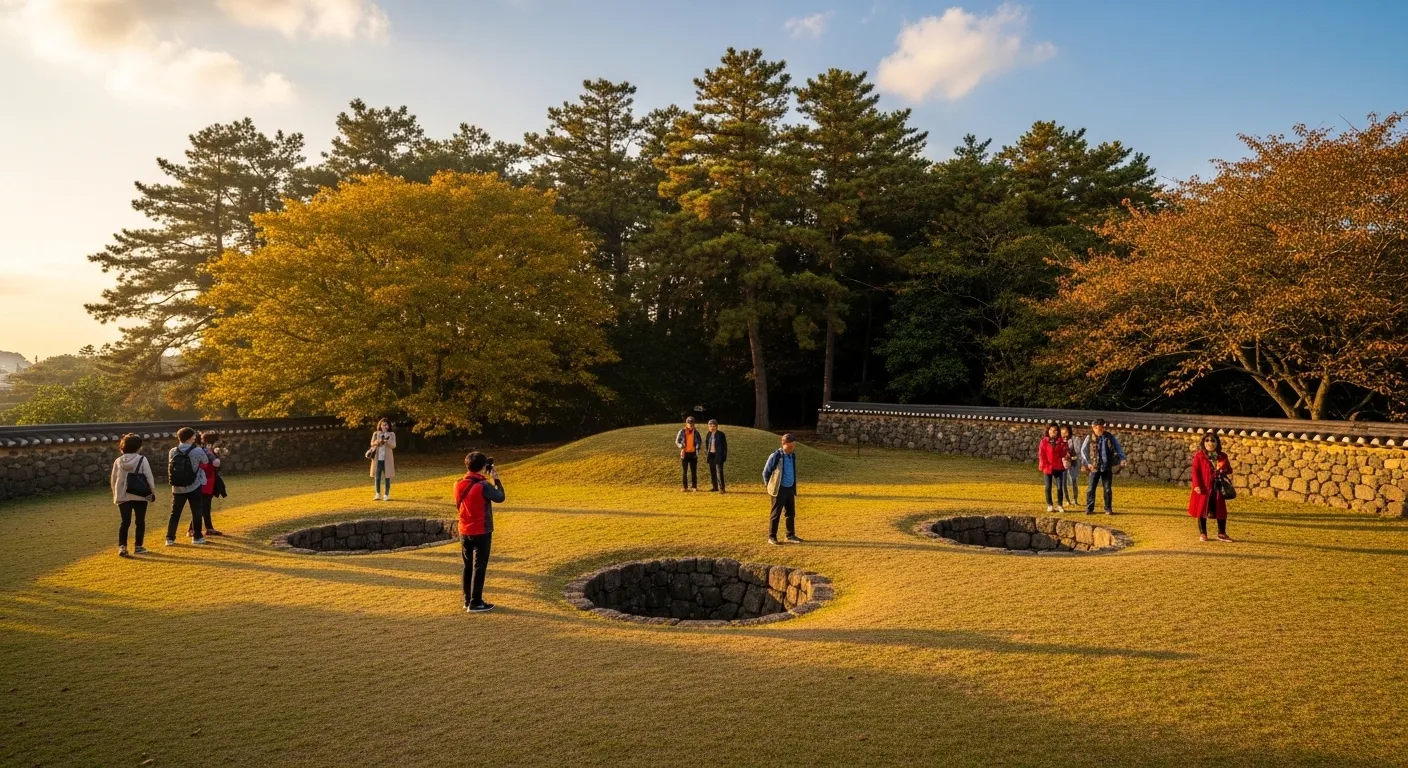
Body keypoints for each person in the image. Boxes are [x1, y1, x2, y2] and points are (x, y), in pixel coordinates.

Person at [455, 451, 506, 613]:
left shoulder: (458, 484)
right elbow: (500, 497)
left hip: (464, 530)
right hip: (481, 531)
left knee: (467, 566)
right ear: (483, 467)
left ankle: (467, 600)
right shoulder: (483, 485)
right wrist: (496, 478)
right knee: (479, 567)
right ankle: (476, 602)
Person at [110, 433, 157, 557]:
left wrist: (116, 494)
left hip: (123, 495)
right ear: (138, 447)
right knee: (140, 521)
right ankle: (138, 546)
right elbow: (149, 477)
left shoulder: (118, 461)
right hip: (140, 494)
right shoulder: (142, 459)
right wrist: (151, 493)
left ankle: (122, 546)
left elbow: (113, 479)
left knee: (125, 522)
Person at [165, 427, 210, 546]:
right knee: (196, 511)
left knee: (175, 513)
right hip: (194, 485)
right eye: (193, 436)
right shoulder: (197, 450)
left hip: (177, 487)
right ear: (190, 438)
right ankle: (197, 537)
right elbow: (206, 462)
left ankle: (170, 538)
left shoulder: (173, 451)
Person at [1189, 433, 1235, 542]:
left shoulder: (1222, 456)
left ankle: (1221, 533)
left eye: (1213, 440)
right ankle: (1203, 533)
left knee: (1221, 509)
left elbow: (1229, 470)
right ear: (1203, 442)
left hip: (1218, 486)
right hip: (1204, 487)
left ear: (1217, 442)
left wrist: (1222, 470)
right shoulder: (1199, 456)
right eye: (1207, 440)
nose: (1210, 443)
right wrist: (1196, 485)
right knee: (1202, 509)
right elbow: (1195, 471)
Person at [1078, 418, 1128, 516]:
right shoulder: (1089, 437)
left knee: (1107, 488)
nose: (1099, 430)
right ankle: (1089, 508)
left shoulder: (1109, 437)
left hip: (1106, 466)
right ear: (1093, 428)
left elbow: (1118, 448)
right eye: (1097, 428)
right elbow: (1083, 451)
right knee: (1091, 488)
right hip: (1094, 467)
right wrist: (1088, 463)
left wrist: (1122, 458)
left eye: (1101, 427)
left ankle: (1108, 509)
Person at [762, 433, 803, 545]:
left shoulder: (792, 456)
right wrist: (769, 486)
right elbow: (766, 472)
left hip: (789, 488)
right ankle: (772, 537)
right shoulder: (776, 456)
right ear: (786, 443)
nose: (794, 445)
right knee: (776, 513)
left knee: (790, 513)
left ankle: (790, 535)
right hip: (778, 489)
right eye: (793, 443)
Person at [188, 431, 223, 539]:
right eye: (218, 439)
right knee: (202, 506)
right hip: (204, 481)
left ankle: (209, 528)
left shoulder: (209, 451)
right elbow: (203, 466)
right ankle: (191, 529)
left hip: (209, 481)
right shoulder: (204, 451)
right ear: (213, 441)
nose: (220, 442)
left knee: (205, 506)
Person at [1037, 422, 1068, 513]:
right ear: (1048, 430)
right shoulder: (1044, 441)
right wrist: (1043, 465)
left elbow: (1063, 454)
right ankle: (1050, 505)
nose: (1052, 432)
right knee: (1048, 487)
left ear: (1058, 432)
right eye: (1051, 430)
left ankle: (1060, 505)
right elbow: (1041, 454)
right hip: (1047, 466)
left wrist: (1064, 445)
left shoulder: (1061, 441)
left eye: (1055, 430)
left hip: (1058, 467)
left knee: (1059, 487)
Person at [370, 418, 397, 501]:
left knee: (387, 477)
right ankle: (377, 494)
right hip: (377, 459)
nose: (384, 426)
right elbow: (372, 443)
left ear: (388, 426)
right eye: (383, 425)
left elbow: (393, 445)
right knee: (377, 477)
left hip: (387, 459)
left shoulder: (391, 434)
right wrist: (378, 441)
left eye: (386, 425)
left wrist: (386, 441)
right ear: (380, 425)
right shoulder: (376, 433)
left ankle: (386, 495)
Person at [675, 416, 703, 492]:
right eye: (689, 423)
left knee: (694, 471)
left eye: (692, 423)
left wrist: (697, 447)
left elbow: (699, 441)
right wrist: (681, 446)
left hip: (693, 454)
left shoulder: (696, 432)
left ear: (694, 424)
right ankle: (685, 487)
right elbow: (677, 441)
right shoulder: (682, 431)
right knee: (684, 471)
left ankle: (694, 487)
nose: (690, 424)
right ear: (686, 423)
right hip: (685, 454)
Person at [705, 419, 729, 493]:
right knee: (713, 471)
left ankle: (722, 488)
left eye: (713, 426)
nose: (712, 427)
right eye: (710, 426)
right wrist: (707, 454)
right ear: (708, 427)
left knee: (719, 472)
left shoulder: (721, 434)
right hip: (711, 455)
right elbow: (707, 445)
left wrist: (724, 456)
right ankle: (715, 487)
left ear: (716, 426)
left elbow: (725, 446)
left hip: (718, 455)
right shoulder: (708, 434)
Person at [1060, 424, 1080, 505]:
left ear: (1069, 431)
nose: (1064, 435)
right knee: (1063, 482)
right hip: (1062, 463)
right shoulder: (1059, 440)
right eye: (1062, 433)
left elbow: (1078, 452)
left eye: (1066, 432)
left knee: (1073, 481)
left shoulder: (1075, 439)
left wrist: (1070, 456)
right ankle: (1067, 500)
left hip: (1073, 463)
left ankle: (1074, 499)